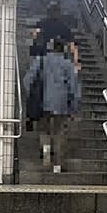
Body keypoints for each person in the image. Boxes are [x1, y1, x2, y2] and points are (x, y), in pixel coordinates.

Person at [23, 38, 81, 173]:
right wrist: (74, 106)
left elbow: (27, 80)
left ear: (50, 47)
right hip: (61, 105)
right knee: (59, 133)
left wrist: (32, 96)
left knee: (43, 130)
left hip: (42, 104)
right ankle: (57, 166)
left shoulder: (41, 60)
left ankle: (46, 149)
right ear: (64, 50)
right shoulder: (68, 64)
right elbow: (74, 88)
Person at [34, 1, 79, 70]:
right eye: (53, 10)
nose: (54, 13)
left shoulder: (63, 27)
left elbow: (72, 44)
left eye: (56, 11)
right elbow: (37, 37)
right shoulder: (42, 24)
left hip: (59, 57)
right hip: (47, 56)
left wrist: (76, 61)